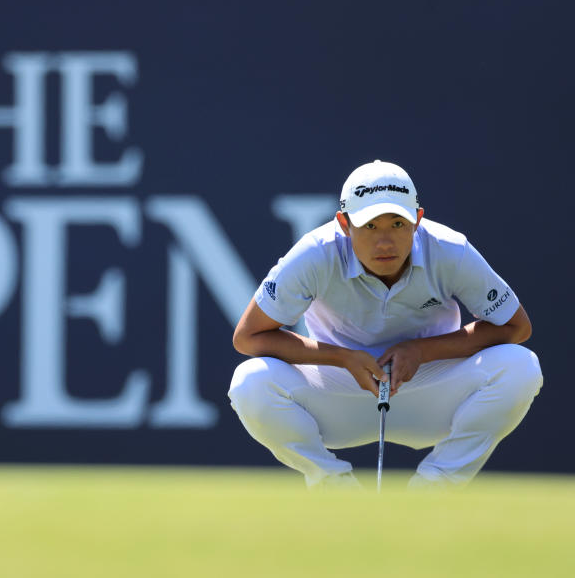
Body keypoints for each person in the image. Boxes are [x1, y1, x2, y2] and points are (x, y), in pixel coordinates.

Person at [228, 160, 542, 489]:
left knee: (521, 365)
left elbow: (515, 327)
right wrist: (343, 357)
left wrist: (421, 350)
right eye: (370, 226)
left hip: (432, 388)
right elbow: (249, 337)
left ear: (417, 220)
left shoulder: (450, 249)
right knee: (250, 381)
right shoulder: (315, 254)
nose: (385, 241)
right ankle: (335, 491)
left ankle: (433, 491)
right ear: (344, 224)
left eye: (397, 223)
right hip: (339, 391)